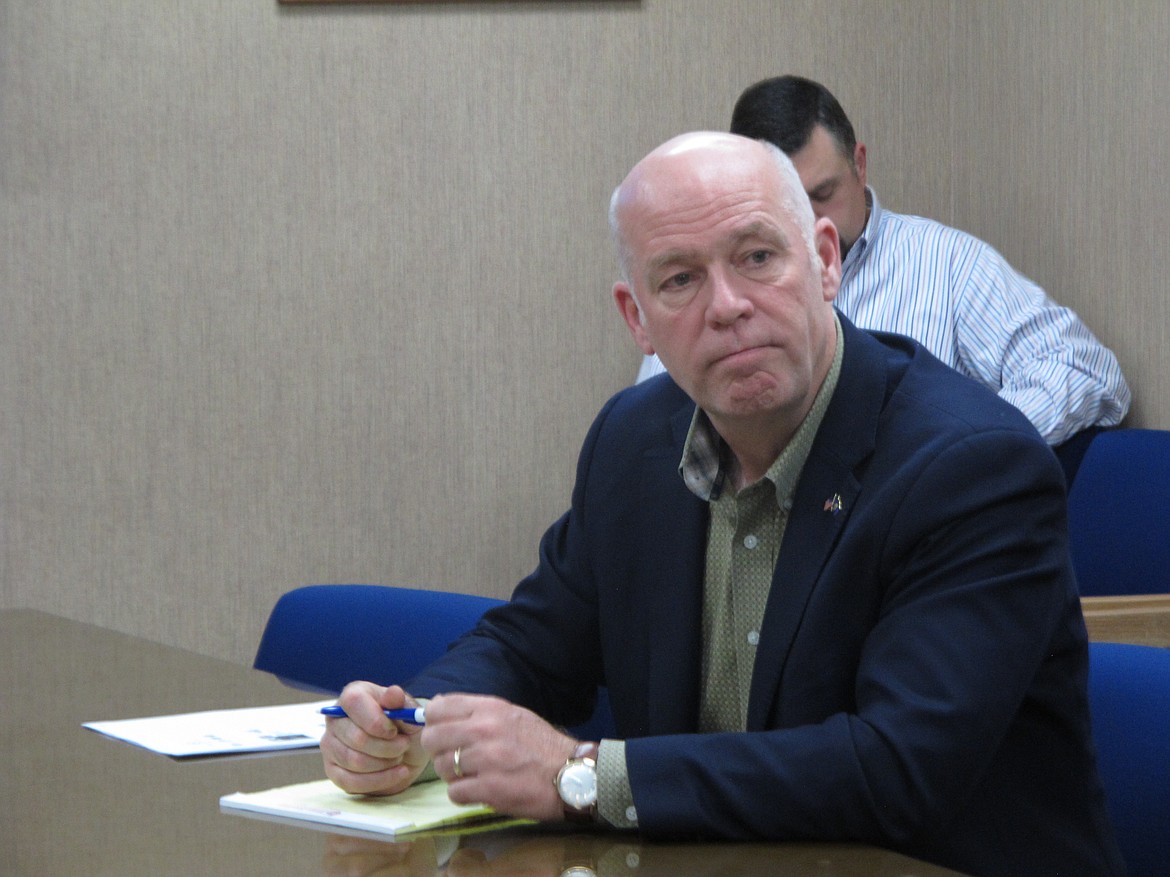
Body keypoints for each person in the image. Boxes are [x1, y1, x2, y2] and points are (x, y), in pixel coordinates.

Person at [321, 132, 1124, 877]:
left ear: (824, 261)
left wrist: (582, 777)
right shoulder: (633, 442)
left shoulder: (970, 465)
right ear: (638, 318)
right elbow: (535, 643)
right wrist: (412, 724)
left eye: (757, 257)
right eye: (680, 279)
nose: (729, 305)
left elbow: (895, 770)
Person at [635, 75, 1130, 484]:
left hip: (900, 538)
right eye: (783, 205)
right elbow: (649, 437)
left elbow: (1084, 369)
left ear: (860, 164)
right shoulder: (714, 299)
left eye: (822, 193)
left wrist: (945, 452)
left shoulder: (947, 265)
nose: (808, 225)